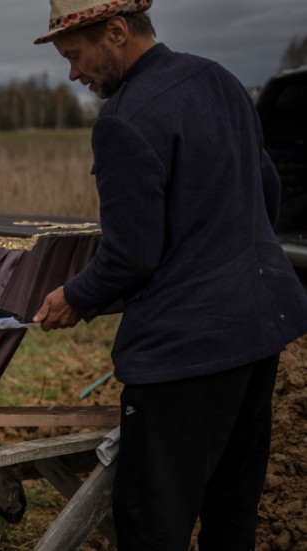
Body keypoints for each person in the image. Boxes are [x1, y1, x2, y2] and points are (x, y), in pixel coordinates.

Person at [31, 0, 307, 548]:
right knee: (233, 506)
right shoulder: (222, 80)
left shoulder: (125, 119)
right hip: (257, 333)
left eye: (76, 56)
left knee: (152, 521)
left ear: (116, 32)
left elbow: (130, 255)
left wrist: (75, 296)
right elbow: (267, 192)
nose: (73, 73)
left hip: (185, 355)